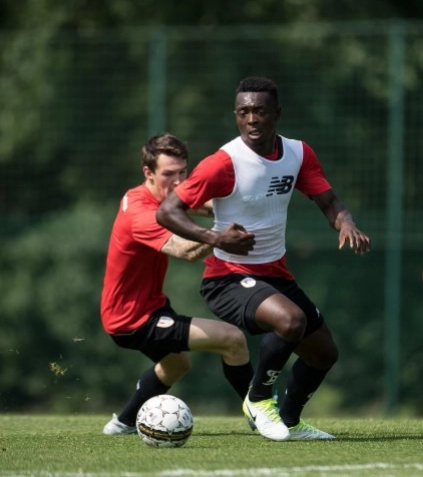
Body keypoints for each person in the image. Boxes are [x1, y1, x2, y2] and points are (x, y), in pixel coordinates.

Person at [156, 76, 371, 441]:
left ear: (277, 114)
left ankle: (289, 421)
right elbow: (167, 211)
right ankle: (258, 400)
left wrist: (345, 223)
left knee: (324, 354)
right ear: (236, 116)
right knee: (290, 321)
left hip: (276, 274)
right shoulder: (224, 162)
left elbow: (329, 201)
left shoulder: (298, 154)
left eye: (260, 111)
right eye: (244, 112)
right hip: (226, 277)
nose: (252, 119)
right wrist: (215, 236)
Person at [100, 133, 254, 435]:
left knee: (177, 364)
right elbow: (185, 250)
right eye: (169, 174)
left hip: (148, 307)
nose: (178, 182)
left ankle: (122, 423)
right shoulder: (143, 213)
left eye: (183, 172)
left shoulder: (155, 197)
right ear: (149, 173)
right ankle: (263, 413)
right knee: (232, 339)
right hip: (133, 319)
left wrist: (238, 204)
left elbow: (205, 204)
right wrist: (222, 233)